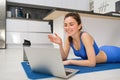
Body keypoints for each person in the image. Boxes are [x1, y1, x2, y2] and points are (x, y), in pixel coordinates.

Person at [48, 12, 120, 67]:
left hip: (112, 54)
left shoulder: (85, 36)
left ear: (79, 26)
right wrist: (60, 45)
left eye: (71, 24)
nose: (68, 27)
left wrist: (70, 61)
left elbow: (92, 63)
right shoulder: (69, 38)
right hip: (102, 49)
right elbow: (63, 58)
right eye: (65, 25)